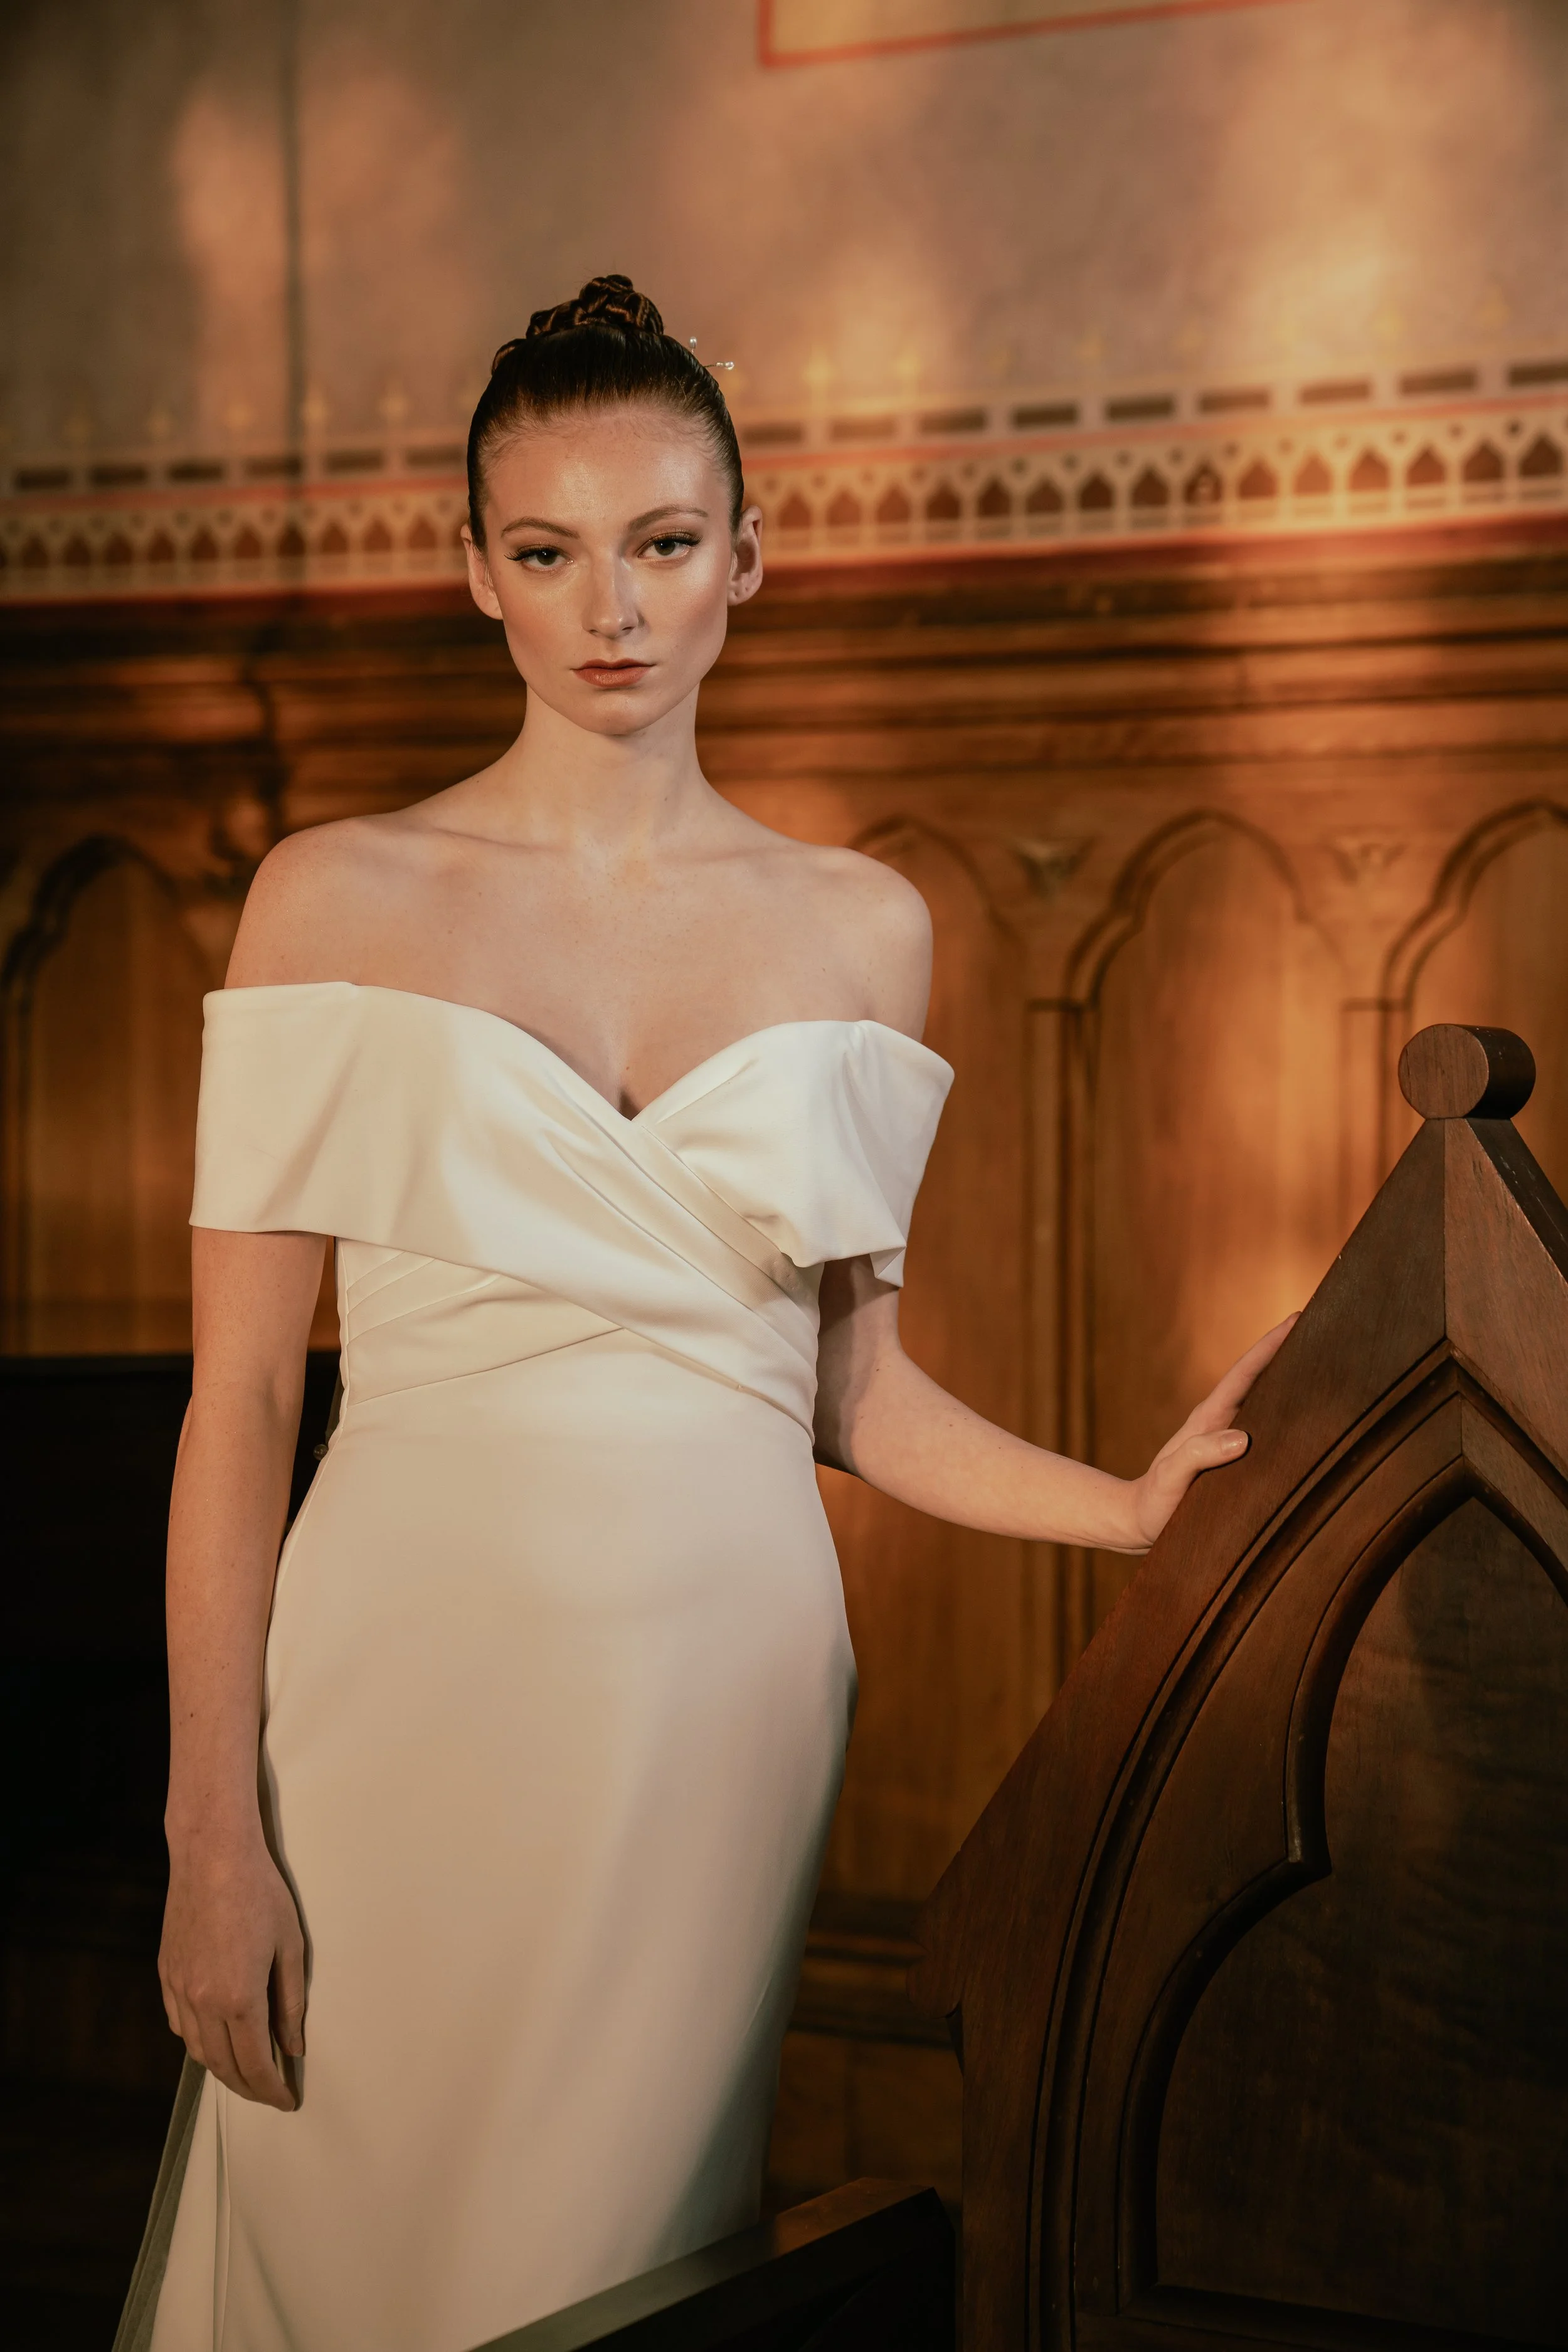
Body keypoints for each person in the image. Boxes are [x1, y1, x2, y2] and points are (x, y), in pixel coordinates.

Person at [119, 275, 1291, 2352]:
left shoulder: (865, 927)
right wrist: (215, 1828)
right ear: (473, 569)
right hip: (391, 1683)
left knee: (622, 2278)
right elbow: (231, 1417)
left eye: (662, 543)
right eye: (550, 552)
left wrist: (1123, 1507)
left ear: (749, 553)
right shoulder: (330, 894)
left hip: (718, 1705)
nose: (614, 610)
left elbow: (845, 1385)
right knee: (349, 2238)